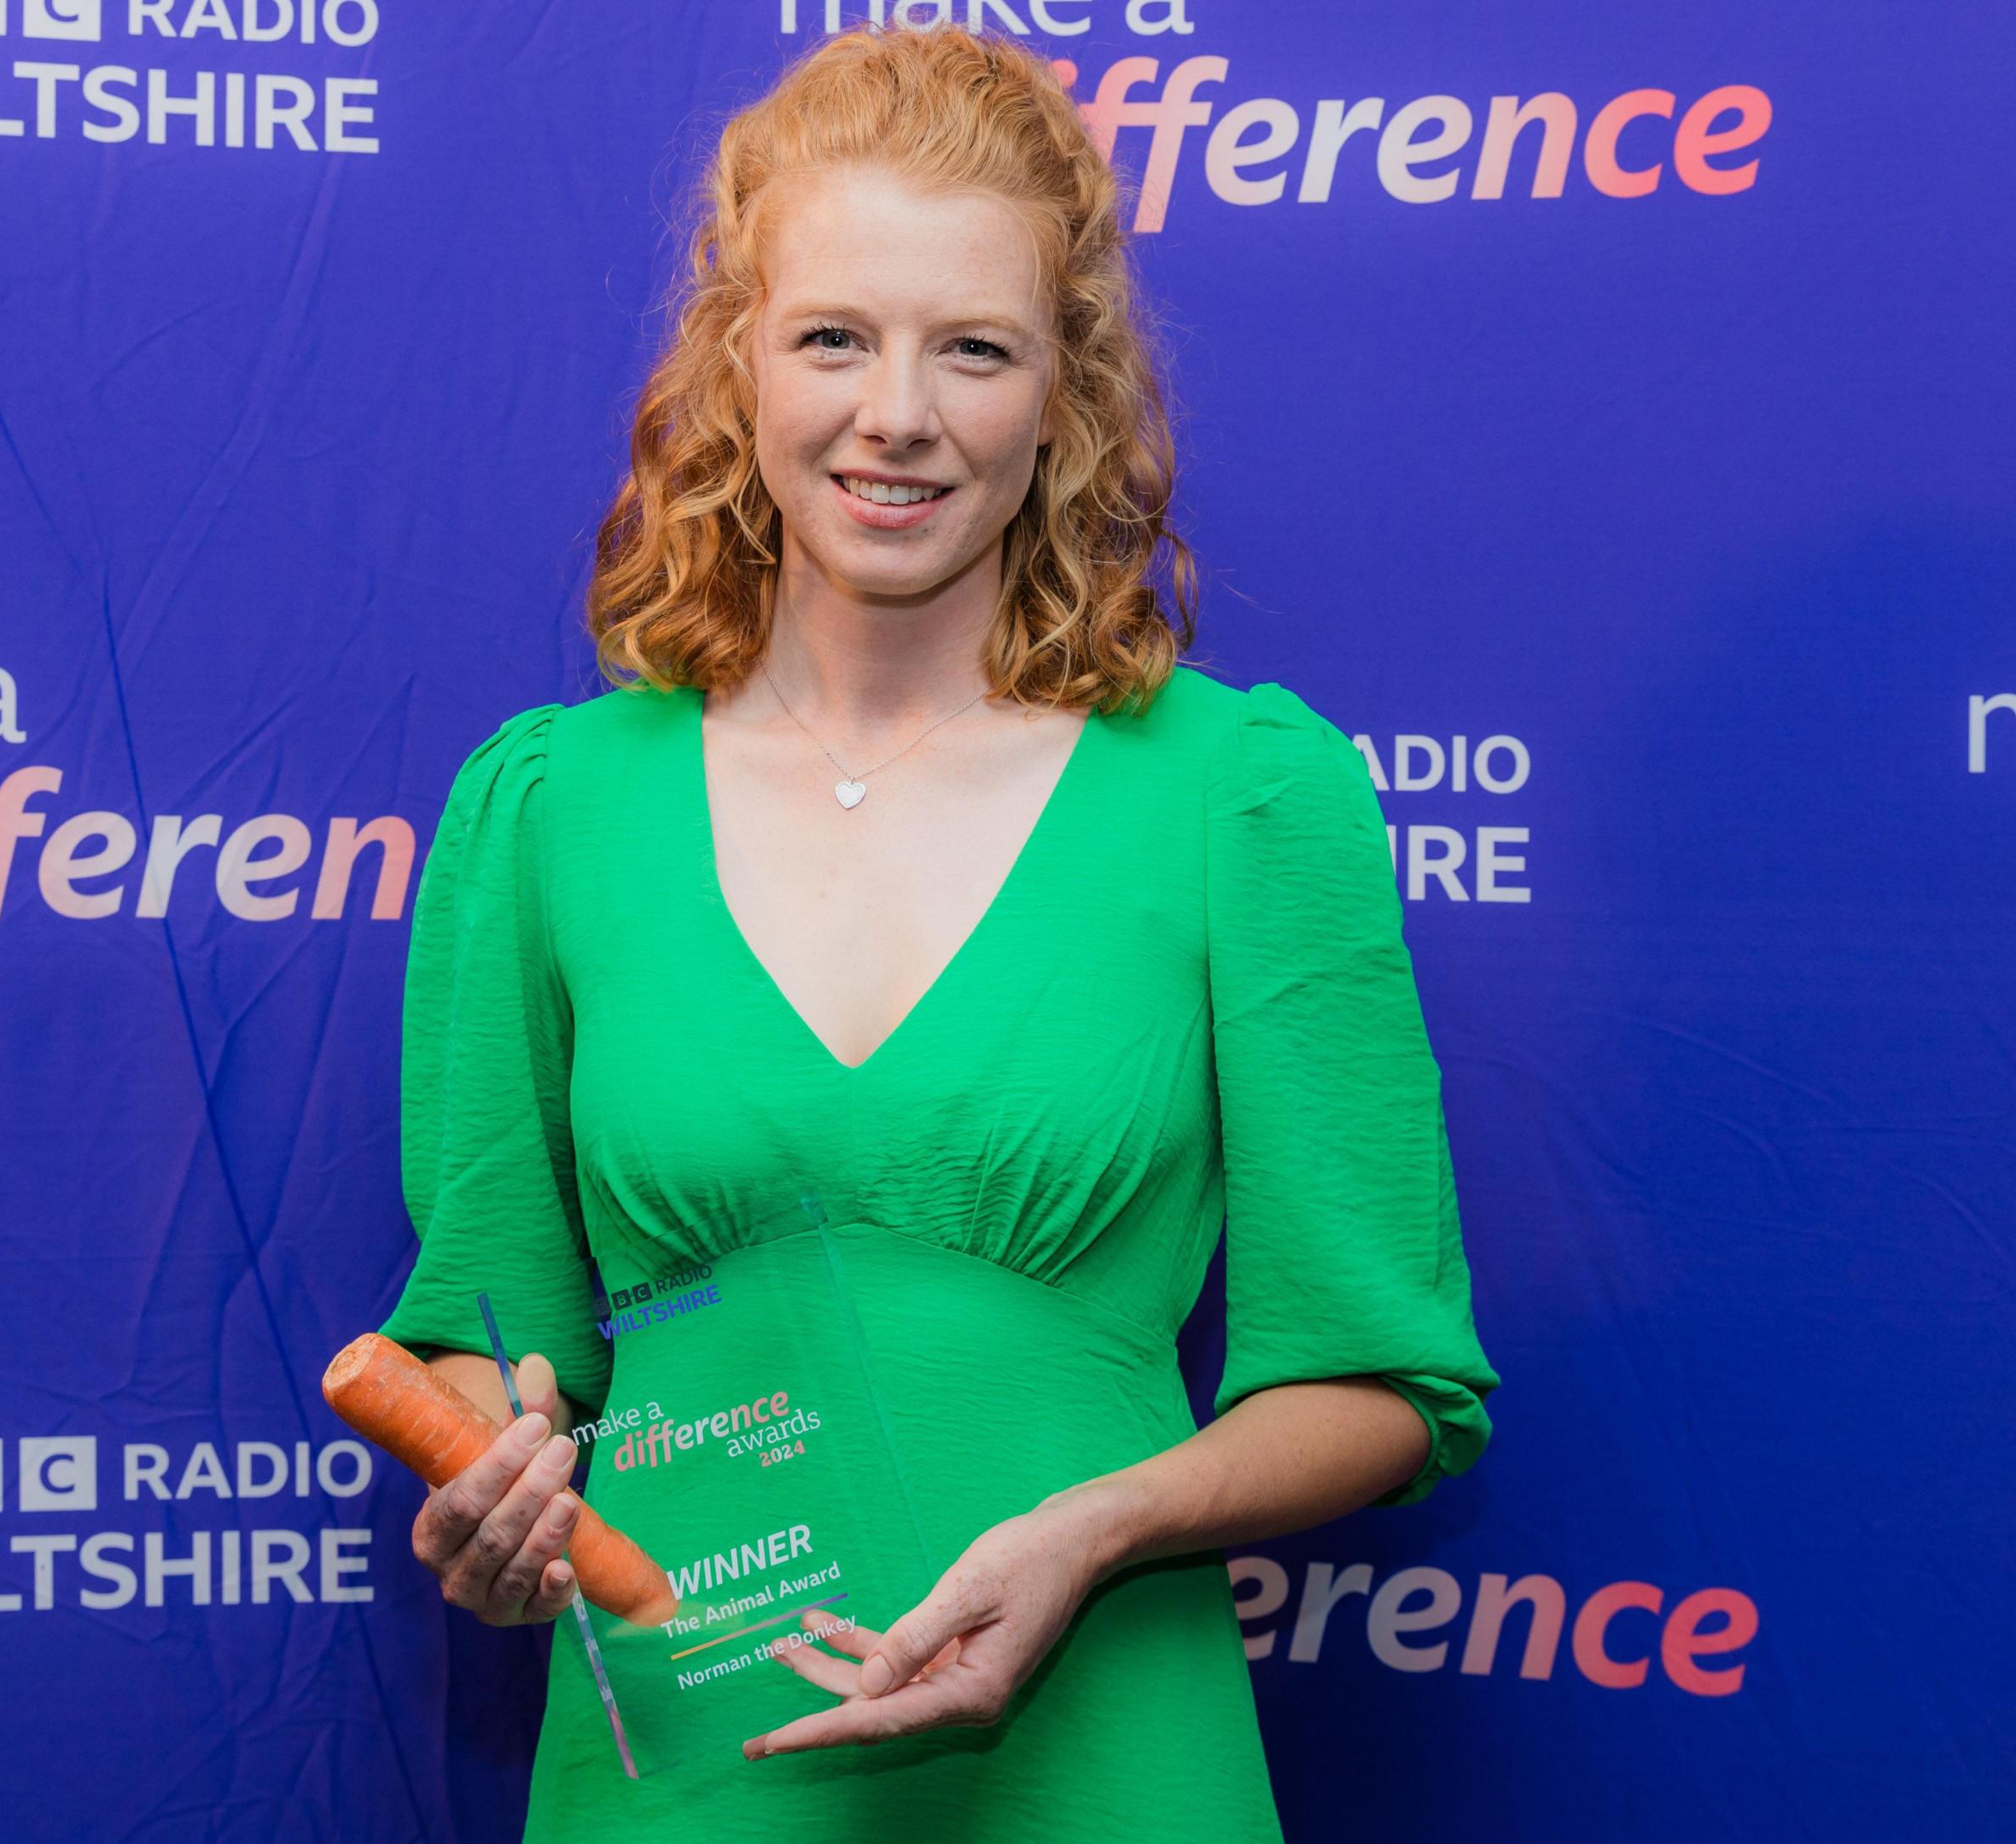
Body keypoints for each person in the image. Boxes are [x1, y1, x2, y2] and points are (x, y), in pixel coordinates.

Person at [374, 26, 1495, 1841]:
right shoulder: (548, 809)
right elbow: (485, 1335)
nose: (897, 413)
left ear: (1065, 391)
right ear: (739, 364)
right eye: (836, 336)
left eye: (972, 347)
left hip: (1108, 1755)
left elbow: (1383, 1381)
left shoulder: (1243, 794)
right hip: (688, 1769)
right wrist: (499, 1491)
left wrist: (1101, 1523)